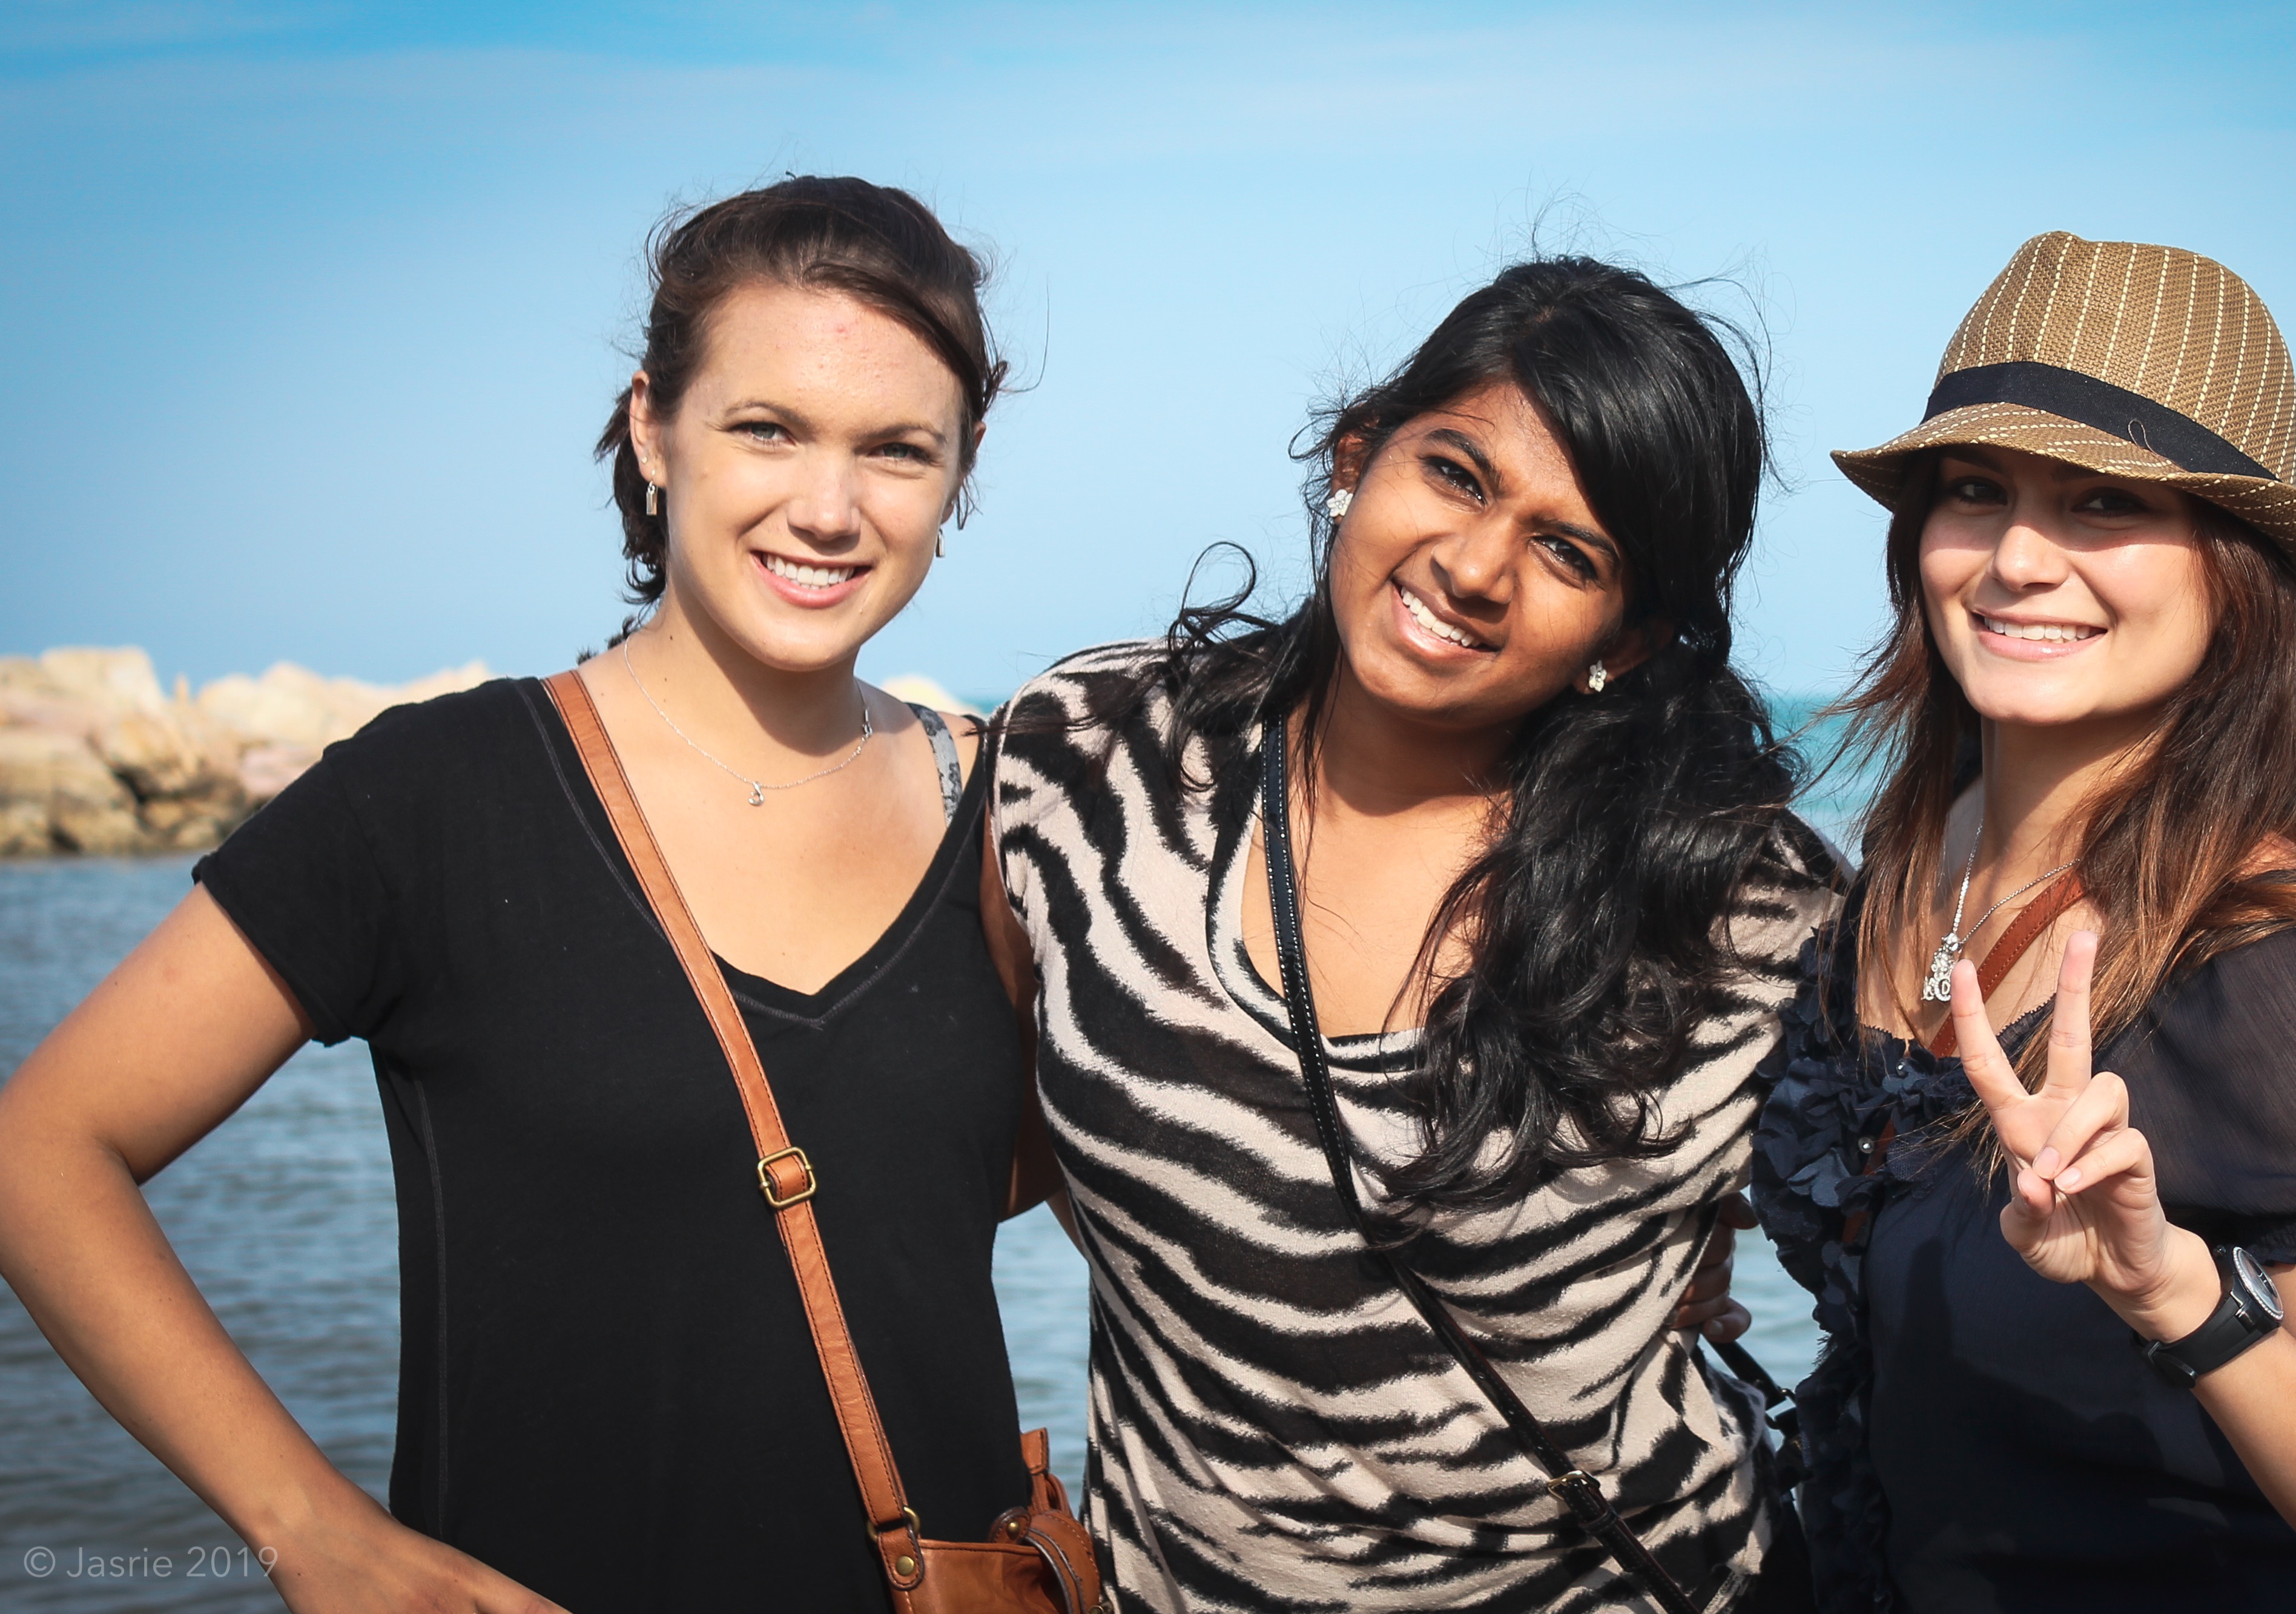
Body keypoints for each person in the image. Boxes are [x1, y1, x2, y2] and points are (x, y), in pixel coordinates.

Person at [0, 177, 1046, 1611]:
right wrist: (310, 1527)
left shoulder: (1020, 821)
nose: (828, 507)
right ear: (653, 426)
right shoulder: (437, 797)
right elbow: (42, 1146)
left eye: (897, 450)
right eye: (767, 428)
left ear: (963, 468)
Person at [983, 257, 1844, 1613]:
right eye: (1456, 473)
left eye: (1570, 553)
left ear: (1628, 639)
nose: (1476, 566)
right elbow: (985, 1145)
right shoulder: (1087, 760)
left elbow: (1895, 1261)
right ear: (1358, 453)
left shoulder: (1739, 910)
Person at [1752, 232, 2296, 1614]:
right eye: (1974, 491)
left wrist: (2177, 1296)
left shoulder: (2260, 962)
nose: (2017, 558)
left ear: (2233, 572)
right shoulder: (1918, 854)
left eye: (2104, 503)